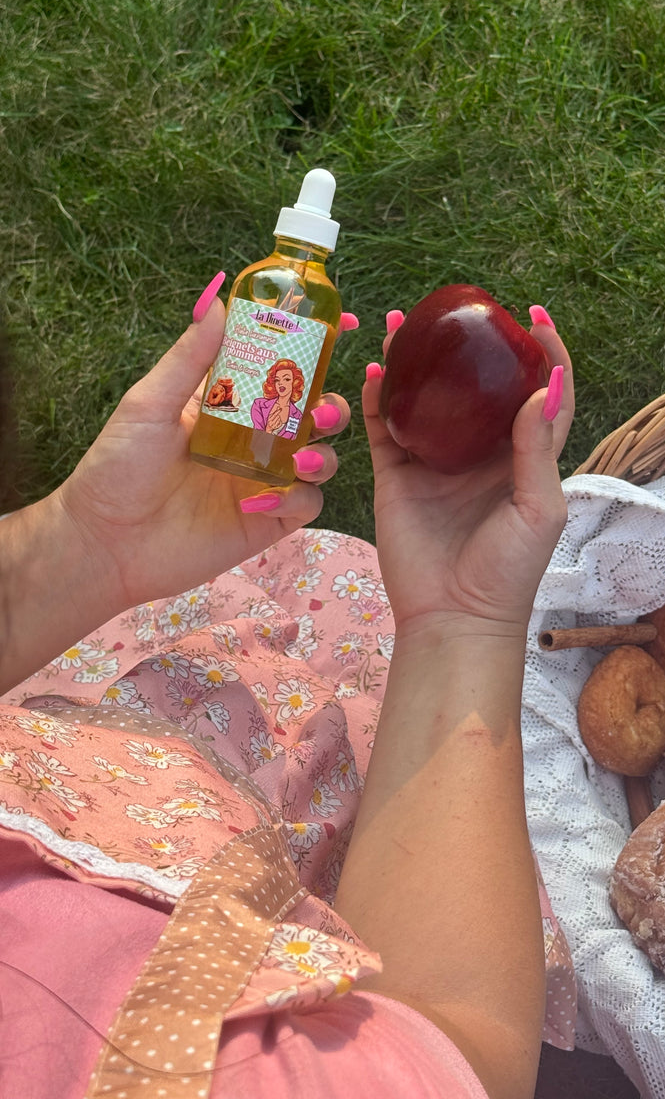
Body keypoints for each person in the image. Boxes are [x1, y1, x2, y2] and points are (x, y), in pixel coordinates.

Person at [0, 274, 576, 1099]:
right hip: (252, 911)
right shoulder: (187, 1069)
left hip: (92, 773)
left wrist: (82, 545)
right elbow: (454, 1058)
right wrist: (461, 621)